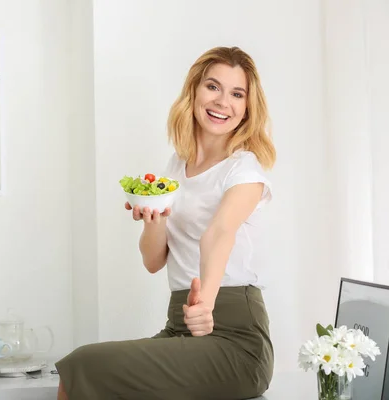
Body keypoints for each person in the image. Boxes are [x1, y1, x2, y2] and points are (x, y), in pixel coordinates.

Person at [55, 46, 277, 400]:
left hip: (235, 339)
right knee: (79, 371)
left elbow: (219, 234)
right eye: (213, 87)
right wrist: (153, 218)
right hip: (180, 325)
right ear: (194, 91)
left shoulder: (244, 169)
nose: (223, 102)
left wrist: (205, 304)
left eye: (237, 94)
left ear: (248, 107)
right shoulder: (177, 165)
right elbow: (153, 260)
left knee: (84, 364)